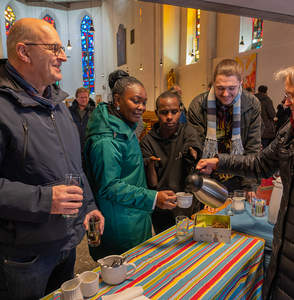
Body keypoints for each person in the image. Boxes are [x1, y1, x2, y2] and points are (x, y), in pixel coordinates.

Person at [0, 18, 104, 300]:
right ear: (24, 52)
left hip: (67, 244)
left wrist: (90, 205)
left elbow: (75, 168)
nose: (63, 56)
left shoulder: (57, 104)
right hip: (25, 255)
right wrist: (45, 200)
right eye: (54, 48)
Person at [196, 62, 294, 300]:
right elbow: (259, 163)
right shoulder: (289, 133)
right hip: (286, 244)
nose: (284, 103)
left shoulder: (254, 107)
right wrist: (218, 161)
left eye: (291, 95)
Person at [84, 69, 177, 260]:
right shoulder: (107, 139)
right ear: (117, 100)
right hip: (119, 223)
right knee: (124, 276)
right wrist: (152, 198)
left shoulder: (123, 126)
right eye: (136, 101)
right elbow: (109, 186)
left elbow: (125, 167)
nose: (142, 107)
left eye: (144, 102)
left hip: (134, 214)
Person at [187, 59, 262, 194]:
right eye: (220, 88)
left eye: (231, 88)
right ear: (213, 83)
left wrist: (249, 186)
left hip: (238, 175)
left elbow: (252, 148)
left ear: (241, 82)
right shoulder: (197, 105)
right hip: (208, 176)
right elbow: (198, 148)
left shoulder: (252, 104)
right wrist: (206, 188)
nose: (225, 94)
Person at [140, 91, 203, 234]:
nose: (169, 117)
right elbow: (153, 183)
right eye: (164, 112)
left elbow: (193, 147)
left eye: (174, 112)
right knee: (167, 246)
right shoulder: (147, 141)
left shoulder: (187, 132)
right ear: (157, 113)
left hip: (188, 202)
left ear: (180, 111)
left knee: (192, 246)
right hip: (163, 206)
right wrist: (150, 163)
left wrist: (192, 151)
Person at [69, 87, 95, 172]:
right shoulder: (69, 111)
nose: (84, 99)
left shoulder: (94, 111)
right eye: (81, 97)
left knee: (89, 171)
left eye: (86, 97)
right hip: (74, 147)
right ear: (76, 98)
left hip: (89, 147)